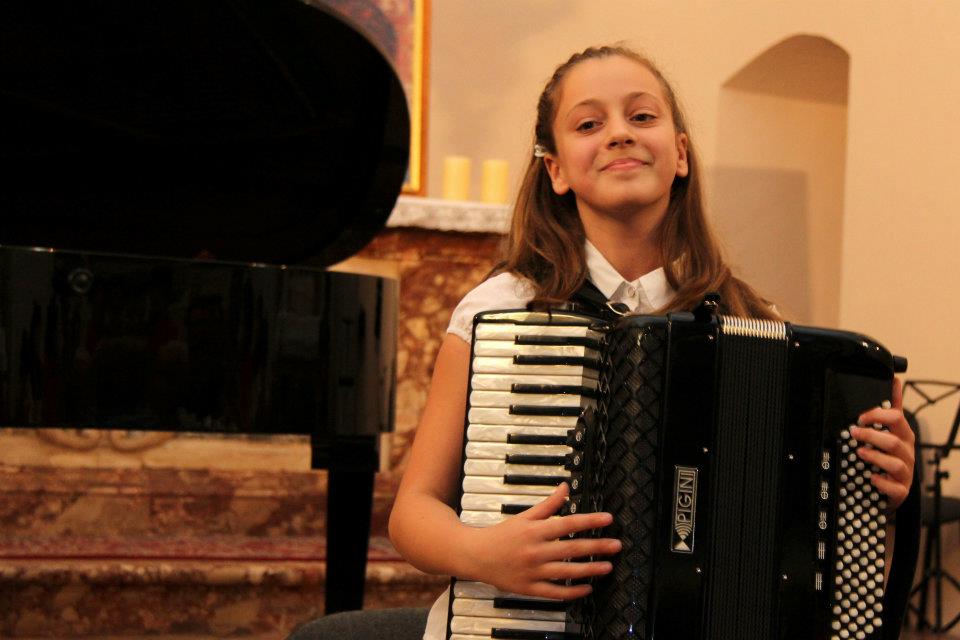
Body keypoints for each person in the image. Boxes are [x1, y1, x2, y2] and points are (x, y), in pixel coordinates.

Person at [387, 44, 916, 640]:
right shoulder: (503, 310)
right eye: (589, 124)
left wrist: (877, 488)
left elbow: (811, 535)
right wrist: (482, 554)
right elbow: (413, 513)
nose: (619, 133)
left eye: (642, 116)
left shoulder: (754, 324)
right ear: (556, 169)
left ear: (680, 154)